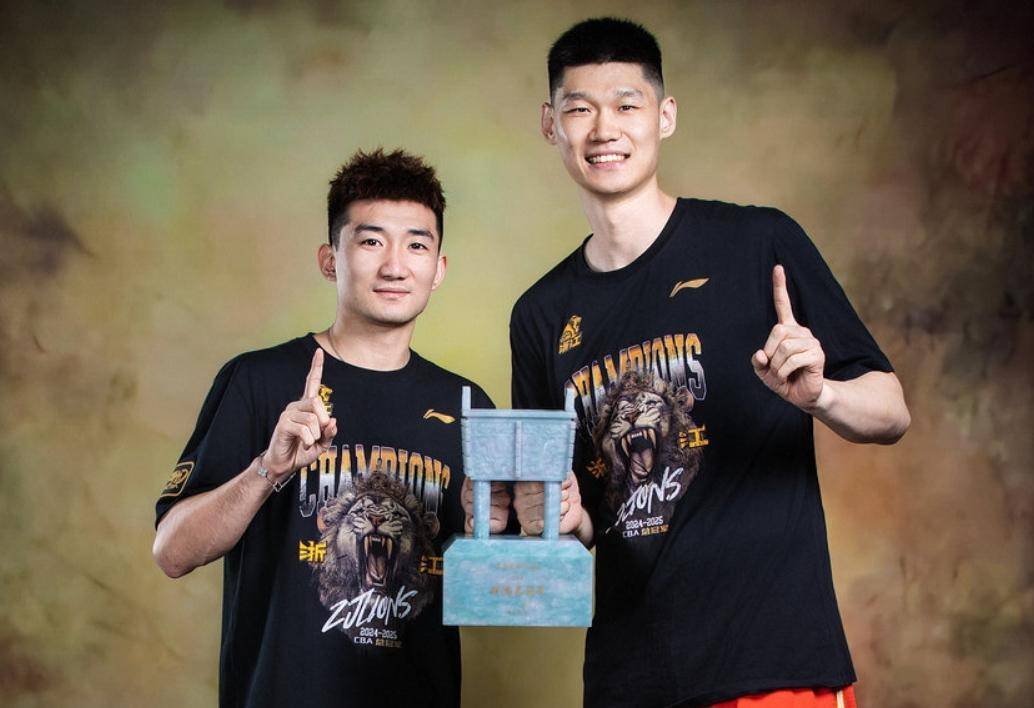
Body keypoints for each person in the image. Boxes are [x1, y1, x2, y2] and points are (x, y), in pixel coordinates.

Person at [509, 18, 911, 708]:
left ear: (664, 116)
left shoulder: (758, 243)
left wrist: (823, 397)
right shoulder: (541, 314)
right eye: (580, 109)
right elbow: (580, 521)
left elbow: (892, 411)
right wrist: (559, 516)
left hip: (771, 666)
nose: (604, 130)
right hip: (628, 679)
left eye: (627, 105)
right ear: (552, 125)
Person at [152, 148, 509, 708]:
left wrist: (494, 527)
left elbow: (499, 595)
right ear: (329, 259)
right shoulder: (259, 381)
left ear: (438, 269)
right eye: (371, 242)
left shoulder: (467, 407)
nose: (395, 266)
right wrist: (268, 469)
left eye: (416, 245)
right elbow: (172, 552)